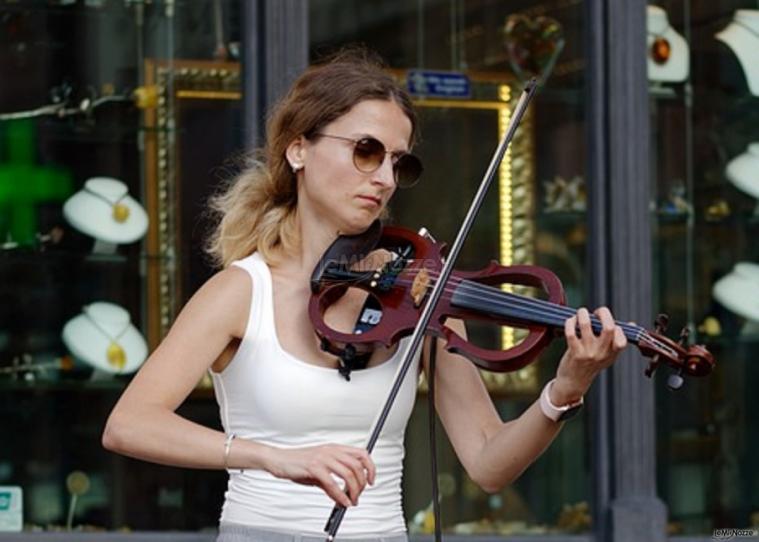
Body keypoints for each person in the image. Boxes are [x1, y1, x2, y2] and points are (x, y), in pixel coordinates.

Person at [102, 49, 628, 542]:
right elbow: (130, 425)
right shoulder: (242, 291)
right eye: (365, 151)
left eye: (398, 163)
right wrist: (271, 457)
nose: (383, 179)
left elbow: (489, 462)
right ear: (299, 148)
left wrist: (564, 390)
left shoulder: (420, 294)